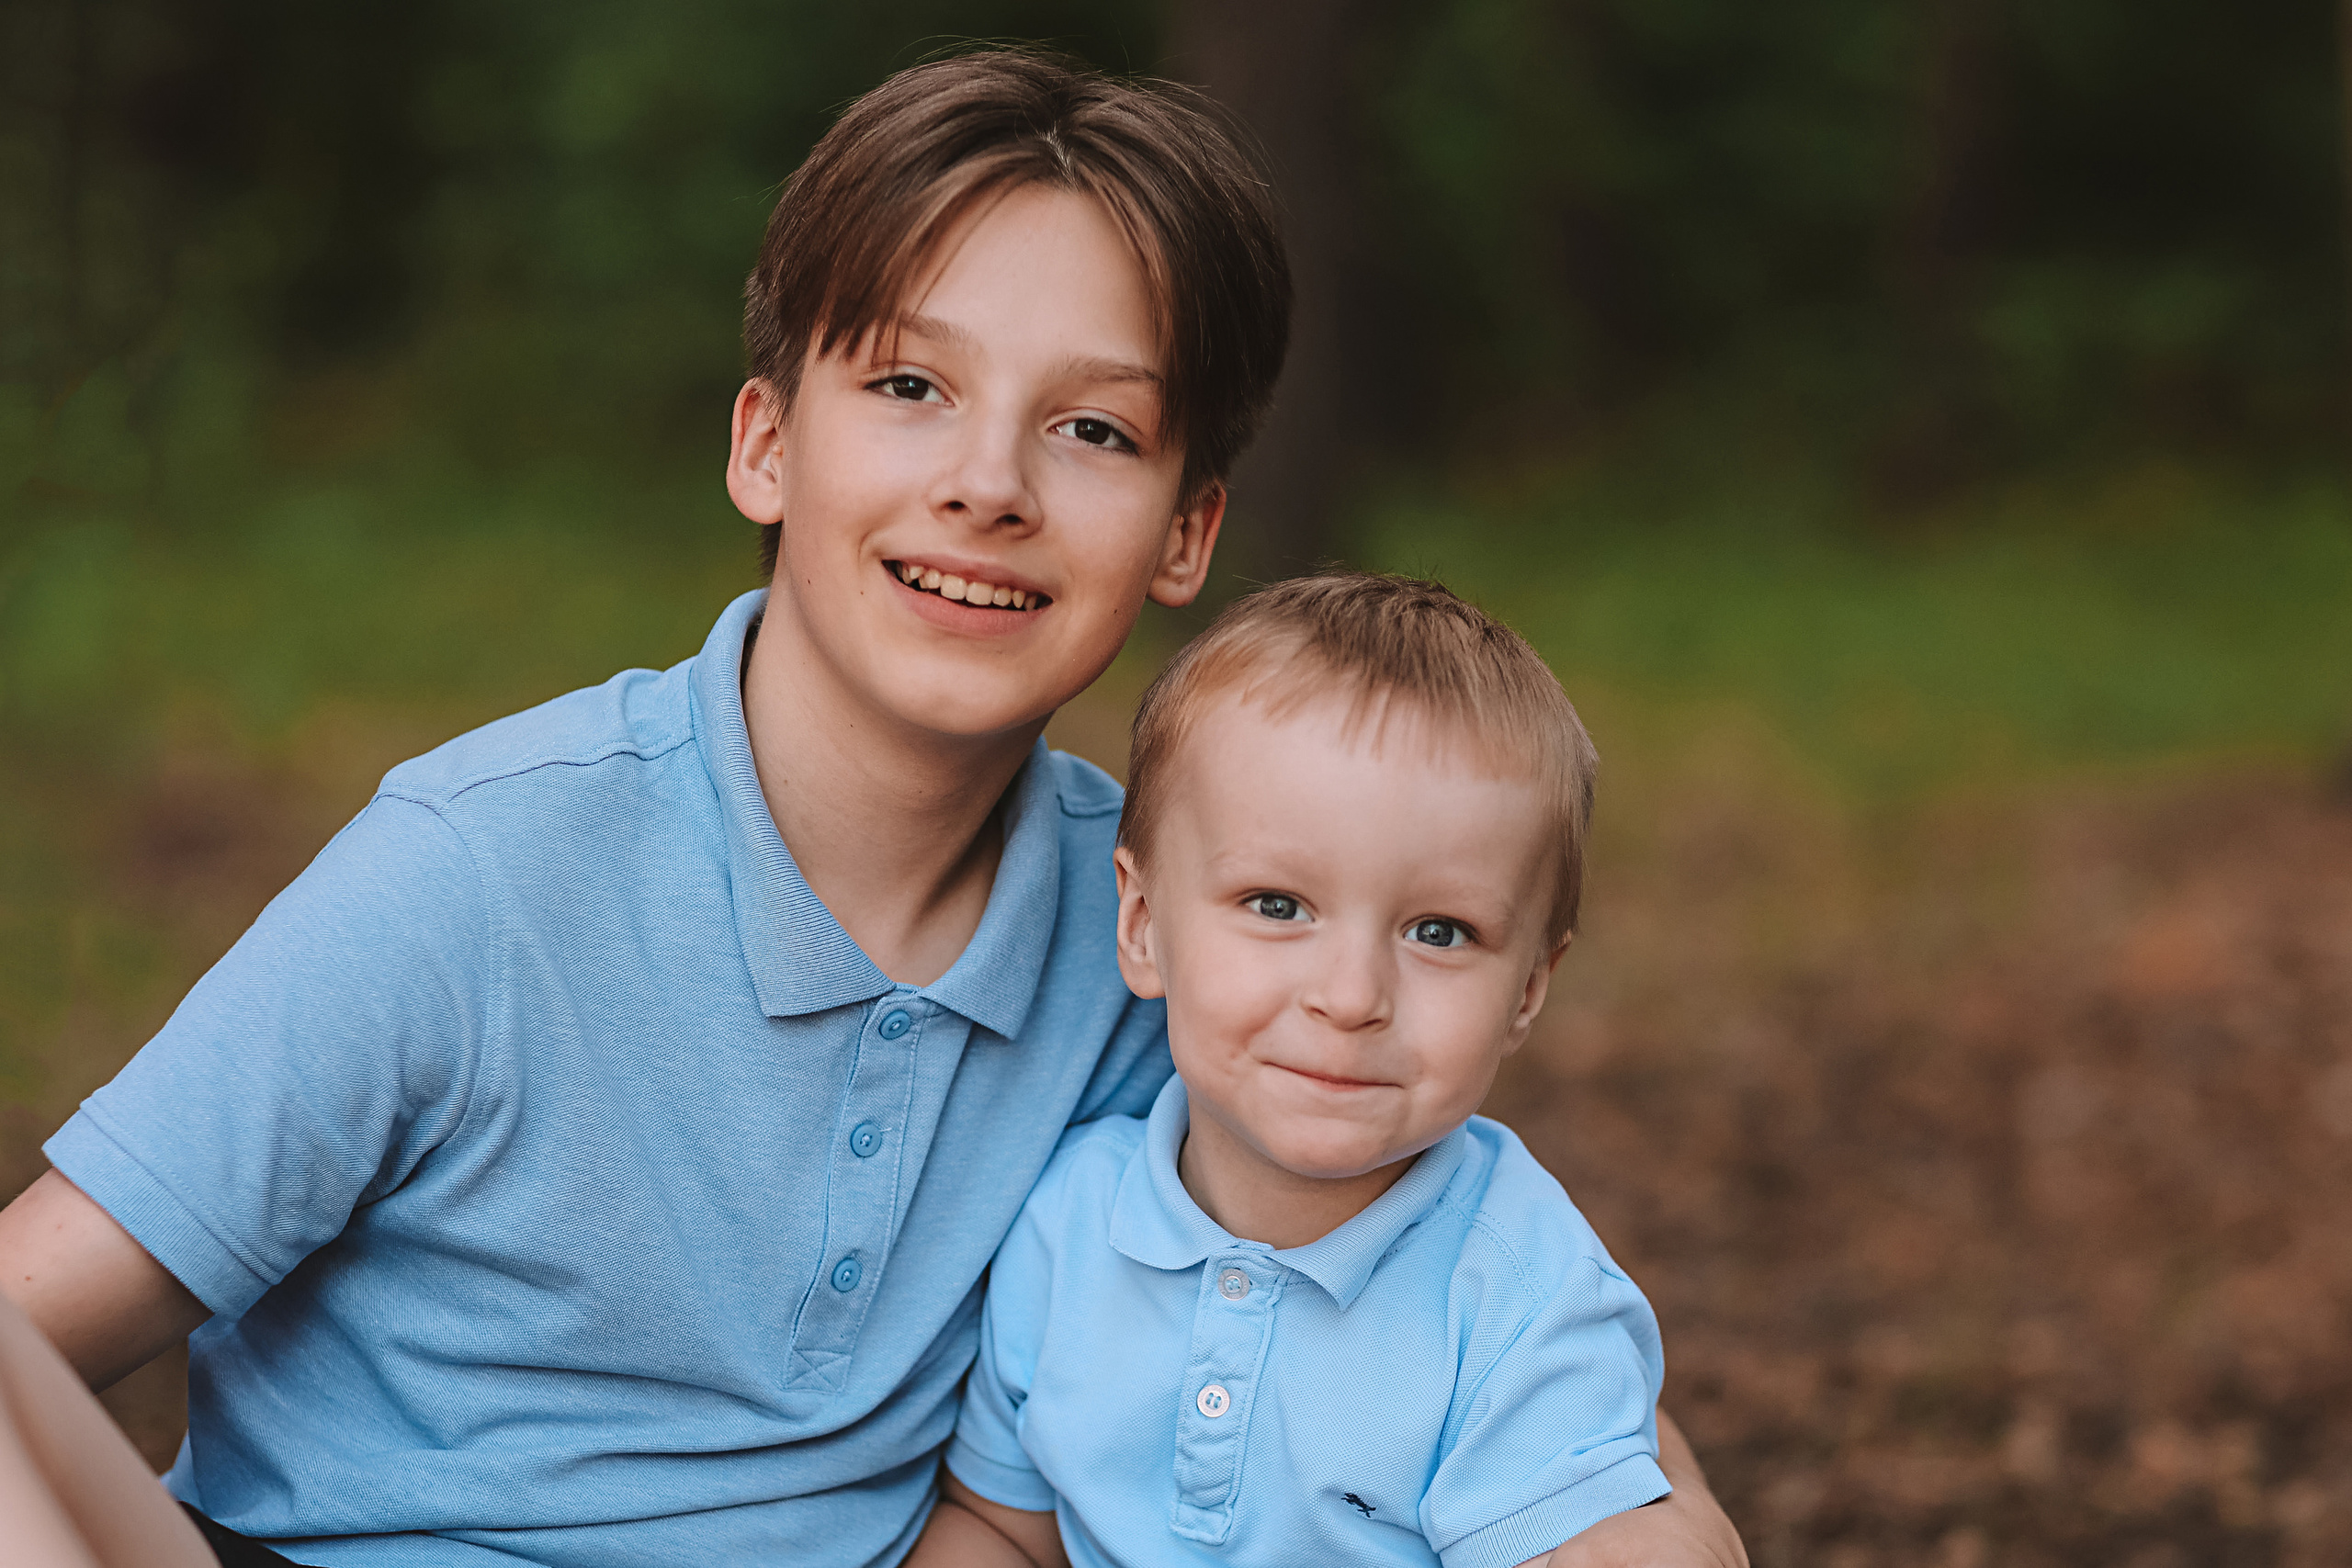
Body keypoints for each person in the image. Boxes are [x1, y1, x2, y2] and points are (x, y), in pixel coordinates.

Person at [0, 50, 1744, 1568]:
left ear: (1188, 533)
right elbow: (39, 1319)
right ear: (767, 443)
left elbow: (1485, 1296)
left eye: (1093, 431)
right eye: (911, 388)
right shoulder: (483, 873)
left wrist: (1655, 1514)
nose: (987, 483)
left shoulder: (1179, 923)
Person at [902, 574, 1668, 1568]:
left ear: (1527, 988)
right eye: (1277, 905)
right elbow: (1003, 1525)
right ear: (1140, 925)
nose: (1350, 996)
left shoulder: (1518, 1298)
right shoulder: (1065, 1222)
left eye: (1439, 931)